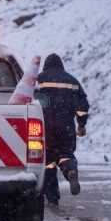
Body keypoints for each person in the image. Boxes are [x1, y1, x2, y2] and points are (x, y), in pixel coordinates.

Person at [36, 53, 90, 206]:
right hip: (66, 128)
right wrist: (81, 124)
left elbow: (28, 100)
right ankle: (70, 171)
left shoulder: (39, 80)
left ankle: (53, 198)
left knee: (48, 163)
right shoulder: (72, 81)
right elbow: (83, 105)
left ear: (46, 65)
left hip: (44, 129)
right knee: (66, 155)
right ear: (61, 65)